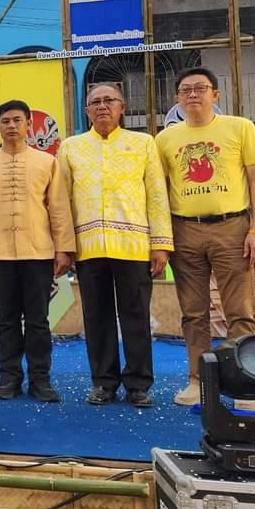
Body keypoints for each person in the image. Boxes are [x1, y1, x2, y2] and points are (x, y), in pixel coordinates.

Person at [155, 67, 255, 406]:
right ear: (177, 98)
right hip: (184, 229)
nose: (193, 94)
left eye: (201, 88)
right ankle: (198, 380)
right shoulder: (165, 139)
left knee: (240, 310)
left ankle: (242, 384)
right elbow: (160, 190)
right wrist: (161, 240)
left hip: (232, 227)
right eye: (186, 89)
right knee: (193, 312)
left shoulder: (239, 128)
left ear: (215, 95)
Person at [57, 84, 172, 408]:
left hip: (134, 246)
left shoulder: (143, 144)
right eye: (95, 102)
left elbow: (157, 195)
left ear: (122, 107)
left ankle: (138, 384)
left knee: (135, 315)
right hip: (89, 247)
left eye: (109, 101)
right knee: (97, 316)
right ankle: (104, 382)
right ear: (86, 110)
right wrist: (64, 247)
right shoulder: (71, 148)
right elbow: (61, 202)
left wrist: (160, 244)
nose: (102, 106)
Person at [0, 100, 75, 402]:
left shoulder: (46, 163)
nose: (11, 126)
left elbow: (58, 208)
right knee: (6, 319)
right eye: (5, 121)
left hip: (38, 252)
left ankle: (40, 379)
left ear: (29, 123)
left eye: (17, 120)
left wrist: (64, 248)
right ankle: (9, 377)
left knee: (39, 320)